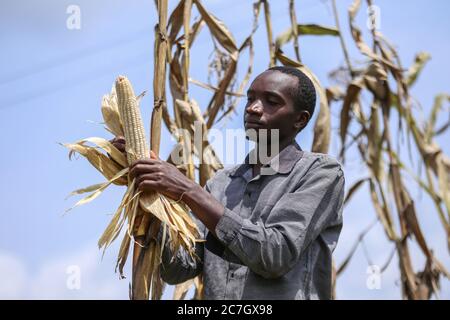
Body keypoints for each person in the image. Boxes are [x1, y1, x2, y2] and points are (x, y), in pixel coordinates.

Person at [112, 66, 345, 300]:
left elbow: (275, 255)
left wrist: (187, 190)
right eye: (251, 99)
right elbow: (179, 268)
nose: (253, 108)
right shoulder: (221, 184)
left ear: (300, 119)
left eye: (271, 101)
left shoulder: (320, 173)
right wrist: (154, 201)